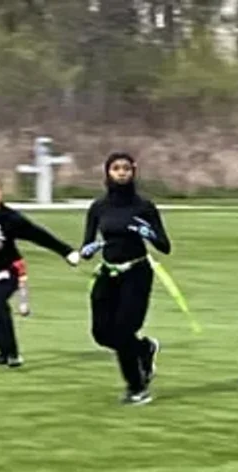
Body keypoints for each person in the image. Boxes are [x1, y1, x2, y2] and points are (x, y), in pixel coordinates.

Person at [0, 175, 80, 367]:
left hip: (8, 270)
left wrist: (66, 252)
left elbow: (38, 235)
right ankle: (3, 350)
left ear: (1, 194)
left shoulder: (9, 218)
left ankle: (13, 353)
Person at [79, 152, 172, 405]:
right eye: (116, 168)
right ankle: (143, 349)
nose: (121, 173)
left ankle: (137, 387)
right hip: (108, 273)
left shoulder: (144, 207)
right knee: (101, 333)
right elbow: (86, 246)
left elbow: (165, 246)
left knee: (122, 330)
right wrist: (88, 249)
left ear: (134, 171)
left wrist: (147, 232)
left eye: (126, 169)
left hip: (137, 274)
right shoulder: (99, 207)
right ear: (107, 172)